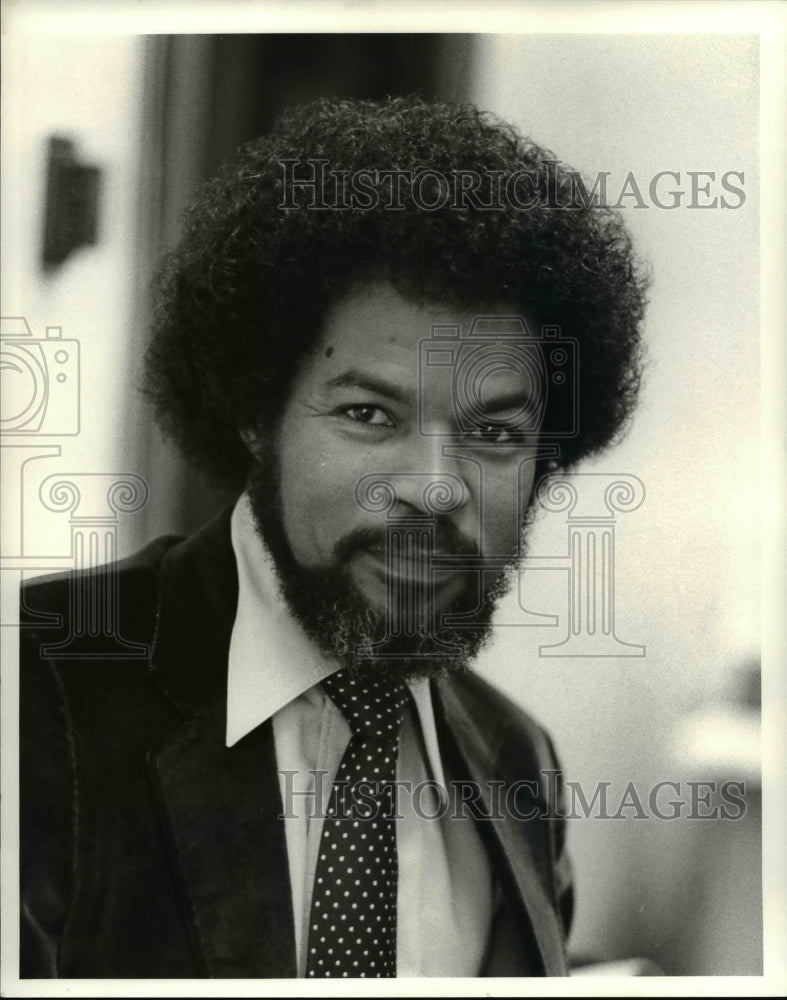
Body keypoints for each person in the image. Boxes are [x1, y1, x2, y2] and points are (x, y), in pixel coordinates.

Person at [19, 96, 647, 978]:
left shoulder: (518, 762)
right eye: (367, 413)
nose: (435, 485)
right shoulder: (38, 688)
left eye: (496, 433)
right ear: (254, 411)